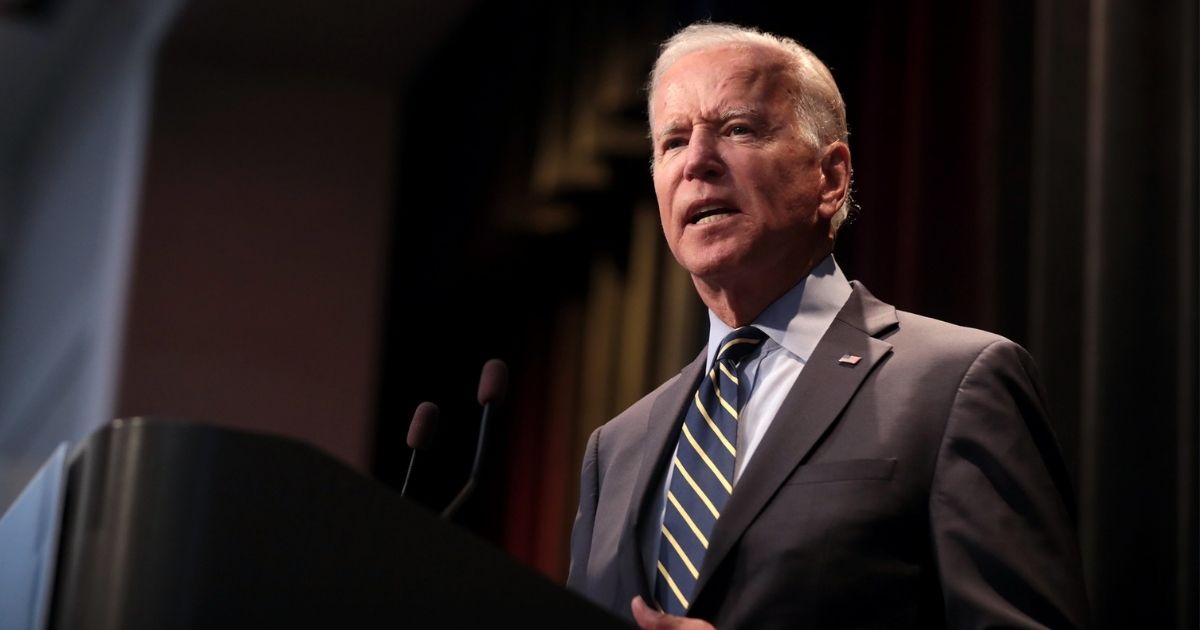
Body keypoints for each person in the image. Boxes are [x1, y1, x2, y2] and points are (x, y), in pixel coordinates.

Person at [565, 22, 1089, 629]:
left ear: (830, 177)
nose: (698, 162)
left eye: (737, 129)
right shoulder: (616, 450)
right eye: (674, 141)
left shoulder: (955, 385)